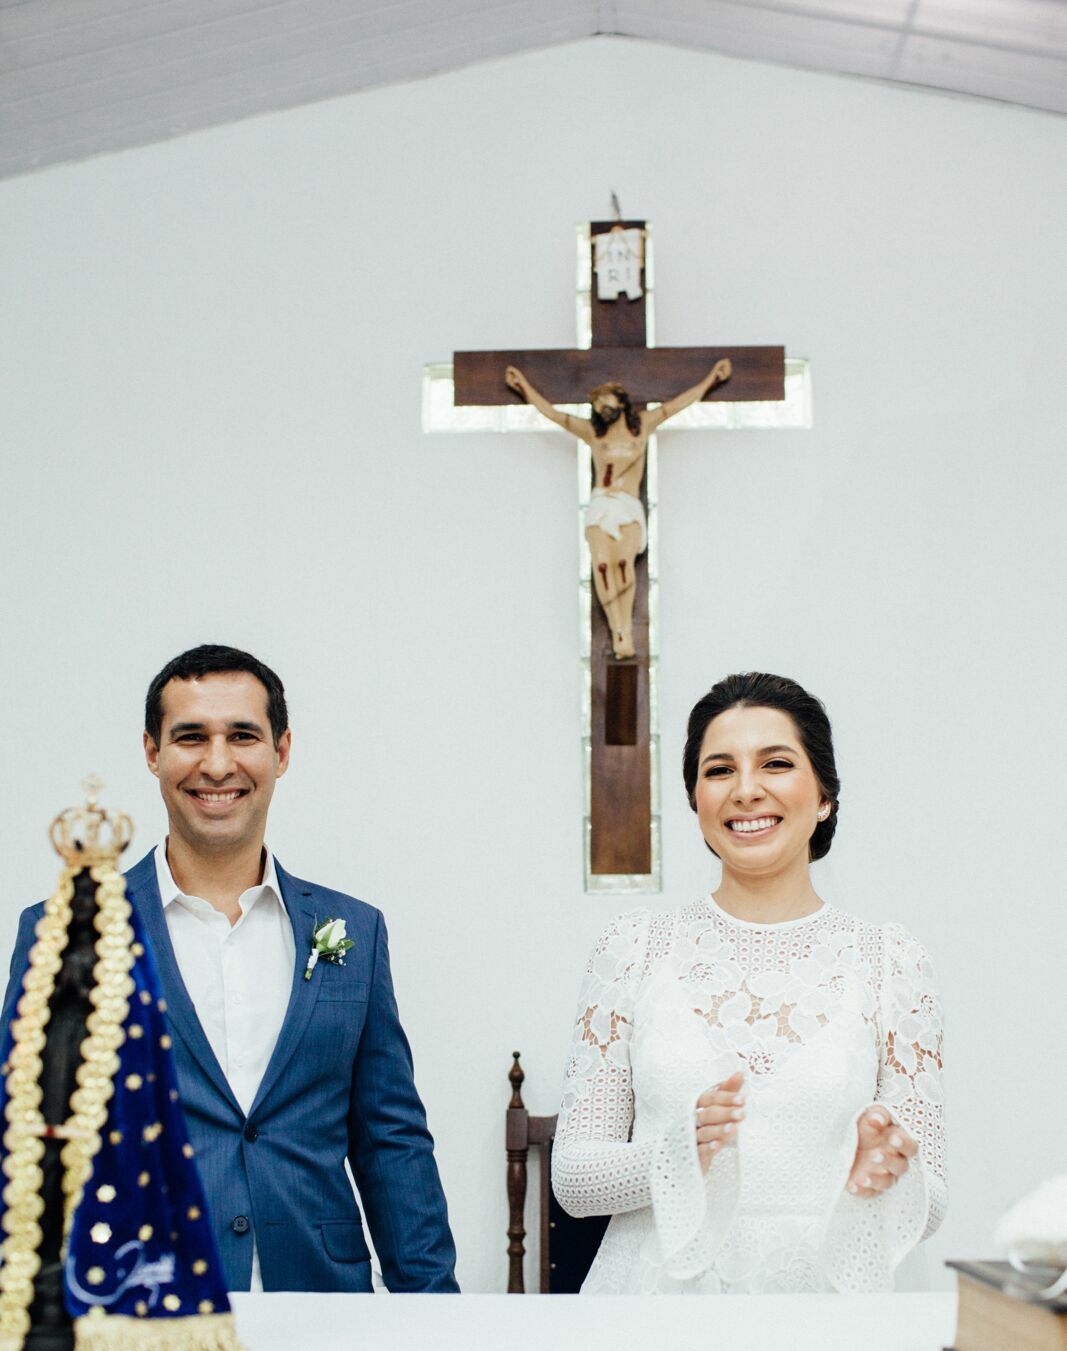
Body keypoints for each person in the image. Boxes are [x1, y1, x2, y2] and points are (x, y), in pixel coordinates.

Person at [0, 645, 459, 1295]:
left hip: (323, 1303)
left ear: (282, 751)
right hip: (138, 1311)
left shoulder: (354, 931)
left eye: (242, 735)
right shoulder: (66, 929)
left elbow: (390, 1144)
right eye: (190, 737)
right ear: (152, 751)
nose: (217, 763)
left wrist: (433, 1309)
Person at [552, 671, 947, 1294]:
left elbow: (934, 1198)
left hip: (831, 1306)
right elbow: (574, 1181)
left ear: (824, 796)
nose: (746, 790)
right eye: (719, 770)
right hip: (658, 1305)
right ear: (695, 800)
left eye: (776, 763)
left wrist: (885, 1176)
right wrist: (678, 1153)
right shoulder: (633, 949)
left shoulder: (890, 961)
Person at [505, 361, 732, 658]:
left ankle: (626, 629)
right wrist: (522, 385)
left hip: (628, 505)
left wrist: (711, 379)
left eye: (605, 399)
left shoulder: (644, 426)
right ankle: (616, 631)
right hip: (601, 504)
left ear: (621, 401)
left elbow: (679, 404)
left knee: (623, 563)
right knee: (601, 565)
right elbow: (553, 414)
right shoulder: (593, 434)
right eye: (596, 403)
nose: (600, 406)